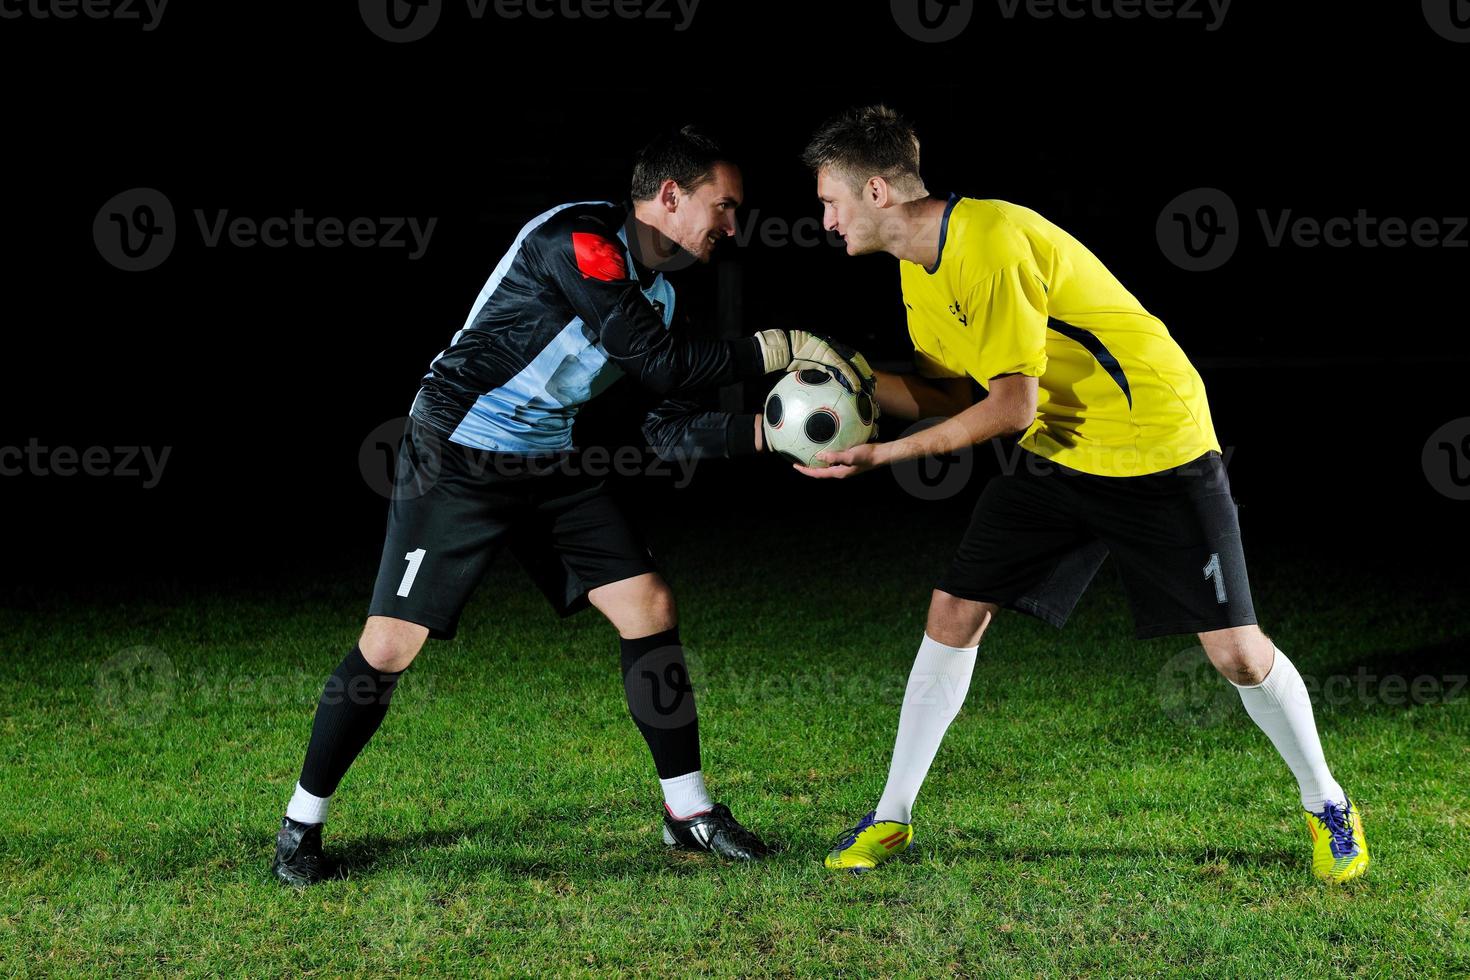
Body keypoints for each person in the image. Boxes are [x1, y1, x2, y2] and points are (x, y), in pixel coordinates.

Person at [271, 126, 861, 885]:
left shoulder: (660, 292)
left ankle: (688, 813)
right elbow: (662, 364)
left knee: (648, 604)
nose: (731, 225)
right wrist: (787, 345)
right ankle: (300, 826)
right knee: (388, 645)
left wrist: (774, 435)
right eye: (724, 206)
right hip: (456, 451)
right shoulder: (576, 239)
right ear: (671, 196)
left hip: (549, 460)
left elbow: (663, 418)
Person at [799, 105, 1368, 883]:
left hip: (1154, 444)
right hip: (1061, 451)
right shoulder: (914, 266)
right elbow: (951, 389)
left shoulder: (989, 241)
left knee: (1236, 654)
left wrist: (883, 455)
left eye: (829, 200)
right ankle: (892, 816)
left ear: (875, 191)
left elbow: (1008, 407)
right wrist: (851, 385)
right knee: (955, 611)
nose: (823, 219)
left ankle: (1328, 802)